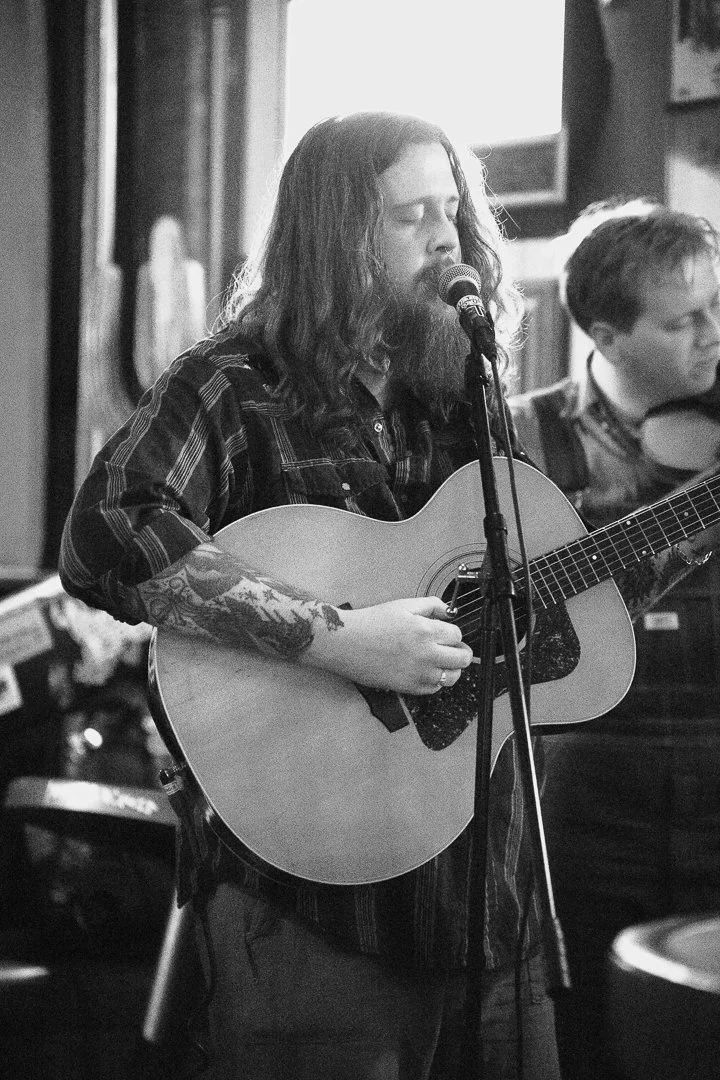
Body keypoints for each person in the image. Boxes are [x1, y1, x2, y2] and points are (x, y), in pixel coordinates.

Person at [57, 115, 718, 1080]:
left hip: (492, 897)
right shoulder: (235, 385)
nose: (448, 238)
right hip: (315, 909)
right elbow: (107, 530)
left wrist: (690, 519)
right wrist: (337, 637)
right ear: (334, 237)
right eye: (412, 216)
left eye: (452, 210)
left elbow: (559, 598)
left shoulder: (462, 391)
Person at [509, 202, 720, 1079]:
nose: (714, 335)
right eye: (684, 321)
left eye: (717, 305)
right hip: (582, 784)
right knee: (584, 1030)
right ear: (605, 332)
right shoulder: (519, 438)